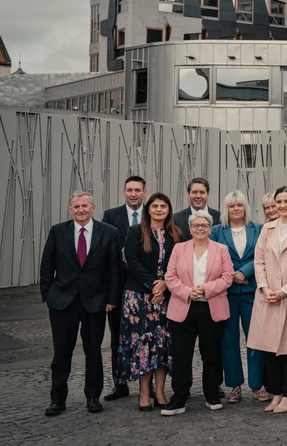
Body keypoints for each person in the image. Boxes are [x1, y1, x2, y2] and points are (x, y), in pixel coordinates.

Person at [39, 191, 122, 416]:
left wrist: (112, 299)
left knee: (93, 351)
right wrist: (48, 294)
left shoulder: (109, 232)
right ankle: (58, 399)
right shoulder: (58, 231)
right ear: (70, 209)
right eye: (76, 206)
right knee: (62, 352)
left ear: (93, 208)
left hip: (95, 301)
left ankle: (93, 396)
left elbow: (114, 269)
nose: (81, 210)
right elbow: (47, 264)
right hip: (62, 302)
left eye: (85, 206)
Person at [161, 210, 234, 416]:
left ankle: (211, 394)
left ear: (211, 229)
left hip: (211, 307)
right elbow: (170, 276)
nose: (200, 229)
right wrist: (188, 291)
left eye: (204, 225)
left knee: (211, 354)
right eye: (196, 225)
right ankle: (179, 398)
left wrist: (206, 289)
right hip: (183, 306)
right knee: (181, 355)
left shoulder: (221, 249)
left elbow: (228, 277)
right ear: (190, 228)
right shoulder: (179, 248)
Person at [247, 187, 287, 414]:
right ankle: (277, 392)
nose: (282, 205)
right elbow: (259, 261)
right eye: (278, 201)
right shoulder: (267, 229)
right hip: (268, 295)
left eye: (286, 201)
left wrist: (284, 290)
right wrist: (264, 287)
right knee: (269, 347)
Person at [117, 192, 182, 411]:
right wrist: (153, 285)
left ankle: (161, 393)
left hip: (167, 297)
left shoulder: (176, 233)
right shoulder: (135, 232)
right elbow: (132, 261)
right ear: (148, 209)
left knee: (163, 345)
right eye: (155, 206)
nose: (159, 210)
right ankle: (144, 394)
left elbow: (179, 264)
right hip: (138, 298)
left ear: (168, 210)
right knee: (144, 345)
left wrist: (165, 284)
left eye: (163, 206)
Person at [209, 191, 270, 404]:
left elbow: (262, 255)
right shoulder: (216, 231)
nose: (236, 209)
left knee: (255, 339)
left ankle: (257, 385)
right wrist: (235, 274)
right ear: (226, 209)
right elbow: (214, 256)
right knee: (229, 340)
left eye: (239, 205)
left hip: (253, 292)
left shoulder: (259, 229)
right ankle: (235, 385)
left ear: (245, 208)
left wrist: (245, 271)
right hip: (226, 293)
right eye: (232, 206)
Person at [101, 174, 147, 402]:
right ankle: (120, 384)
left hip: (145, 287)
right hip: (118, 286)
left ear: (144, 193)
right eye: (130, 190)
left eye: (138, 190)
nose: (133, 194)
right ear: (123, 192)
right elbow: (104, 251)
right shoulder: (111, 216)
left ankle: (145, 387)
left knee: (146, 337)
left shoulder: (155, 213)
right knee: (118, 338)